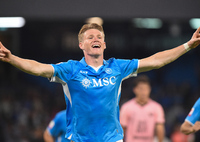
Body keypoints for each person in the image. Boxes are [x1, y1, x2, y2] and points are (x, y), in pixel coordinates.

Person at [0, 23, 200, 142]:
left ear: (104, 44)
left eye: (99, 37)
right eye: (90, 37)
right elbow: (38, 67)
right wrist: (12, 58)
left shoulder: (117, 67)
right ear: (81, 45)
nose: (95, 38)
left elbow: (156, 60)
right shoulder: (70, 70)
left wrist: (187, 45)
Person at [120, 75, 165, 142]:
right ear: (134, 90)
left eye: (146, 89)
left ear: (150, 89)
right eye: (141, 88)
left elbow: (160, 128)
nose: (143, 92)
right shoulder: (126, 107)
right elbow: (122, 129)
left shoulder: (157, 107)